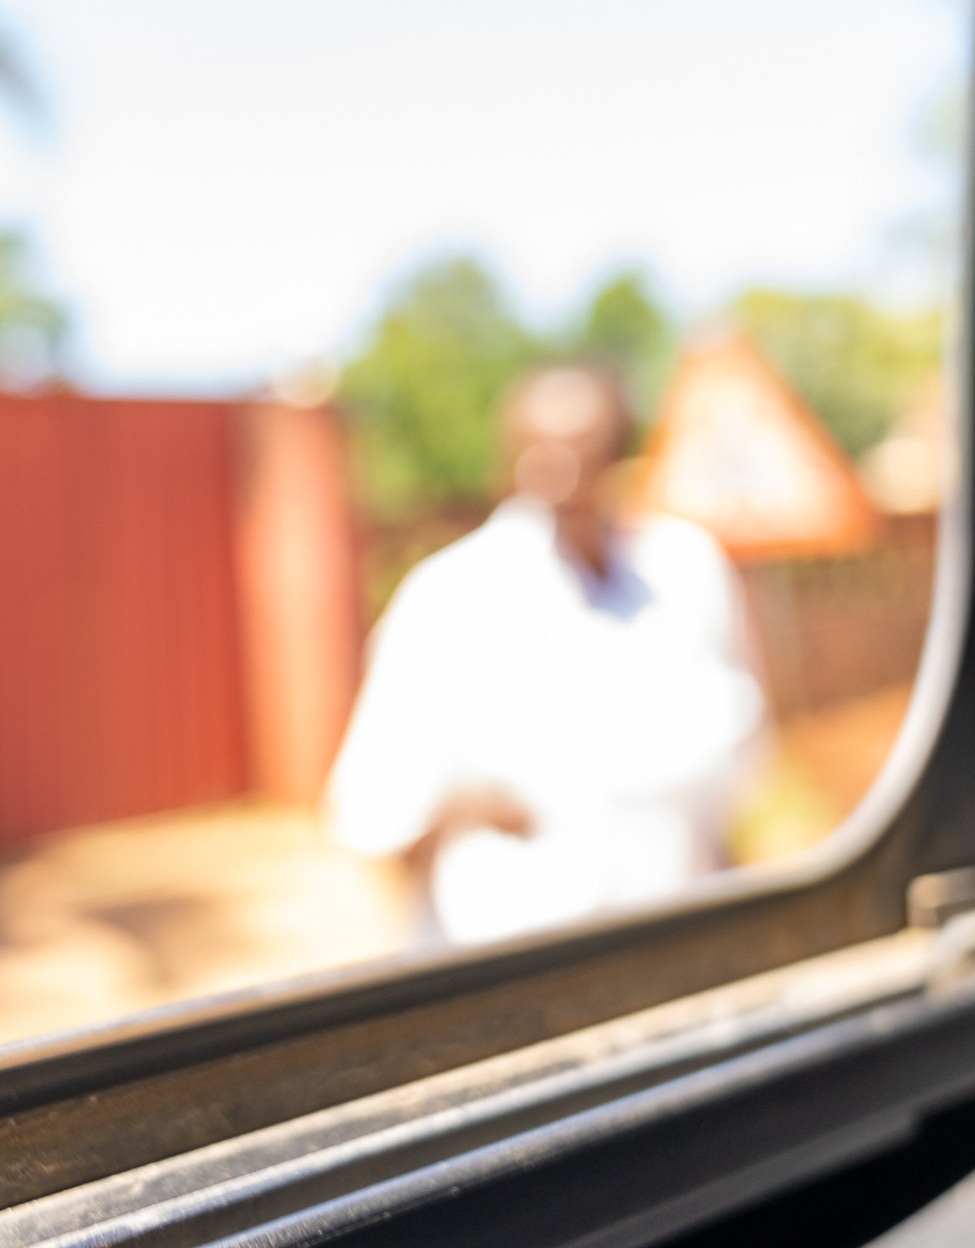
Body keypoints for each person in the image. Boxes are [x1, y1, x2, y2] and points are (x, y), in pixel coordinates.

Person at [324, 363, 764, 944]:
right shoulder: (452, 598)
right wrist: (472, 808)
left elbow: (736, 786)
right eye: (542, 453)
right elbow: (373, 814)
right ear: (510, 459)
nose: (561, 475)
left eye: (585, 451)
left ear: (621, 454)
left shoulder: (686, 573)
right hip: (520, 973)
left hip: (675, 953)